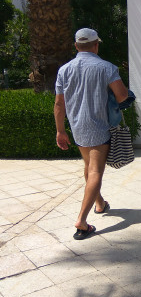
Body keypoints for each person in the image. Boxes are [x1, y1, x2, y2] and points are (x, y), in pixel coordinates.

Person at [54, 28, 129, 240]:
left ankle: (100, 203)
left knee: (89, 166)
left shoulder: (64, 70)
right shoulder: (107, 67)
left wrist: (60, 131)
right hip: (99, 126)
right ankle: (82, 221)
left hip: (77, 127)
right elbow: (122, 96)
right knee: (95, 171)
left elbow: (59, 104)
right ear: (96, 45)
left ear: (76, 46)